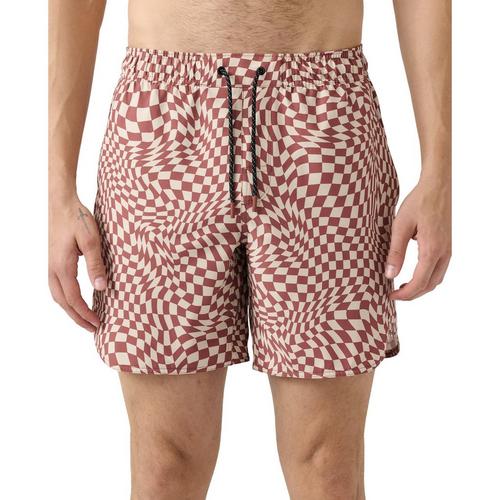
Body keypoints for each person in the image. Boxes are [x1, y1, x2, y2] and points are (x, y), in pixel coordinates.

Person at [48, 1, 451, 498]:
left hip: (324, 124)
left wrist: (438, 175)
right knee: (164, 464)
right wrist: (58, 191)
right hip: (161, 126)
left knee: (327, 464)